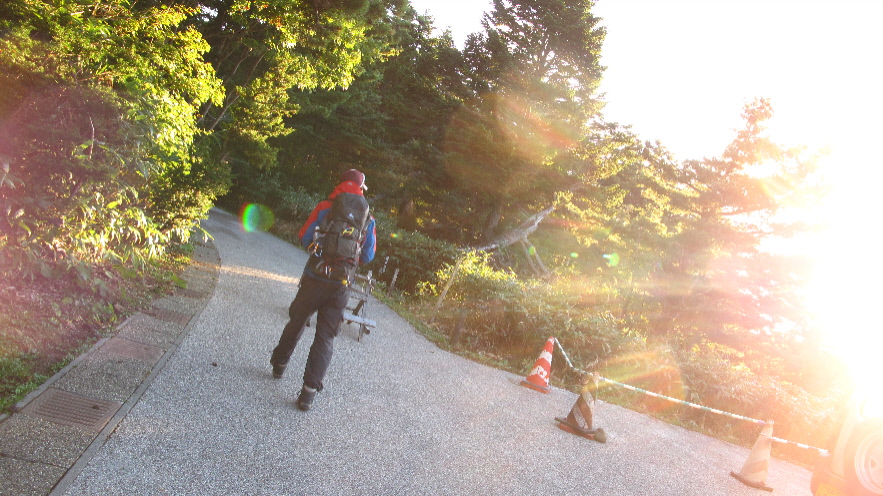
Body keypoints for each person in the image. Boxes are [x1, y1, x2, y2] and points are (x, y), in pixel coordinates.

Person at [270, 169, 376, 411]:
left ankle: (279, 365)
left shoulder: (324, 206)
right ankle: (308, 393)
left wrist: (322, 252)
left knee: (297, 321)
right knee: (325, 337)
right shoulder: (368, 218)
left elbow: (304, 237)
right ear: (361, 188)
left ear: (340, 183)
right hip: (340, 285)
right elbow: (368, 256)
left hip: (314, 277)